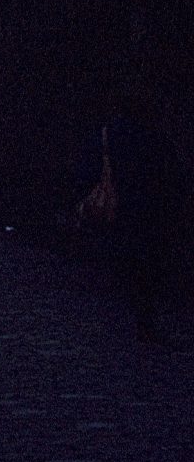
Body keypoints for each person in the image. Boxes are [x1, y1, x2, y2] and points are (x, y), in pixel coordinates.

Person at [77, 105, 184, 344]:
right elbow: (168, 170)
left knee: (128, 259)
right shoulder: (153, 134)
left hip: (120, 204)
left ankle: (132, 311)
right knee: (146, 263)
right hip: (146, 204)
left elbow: (88, 168)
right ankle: (144, 318)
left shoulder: (109, 133)